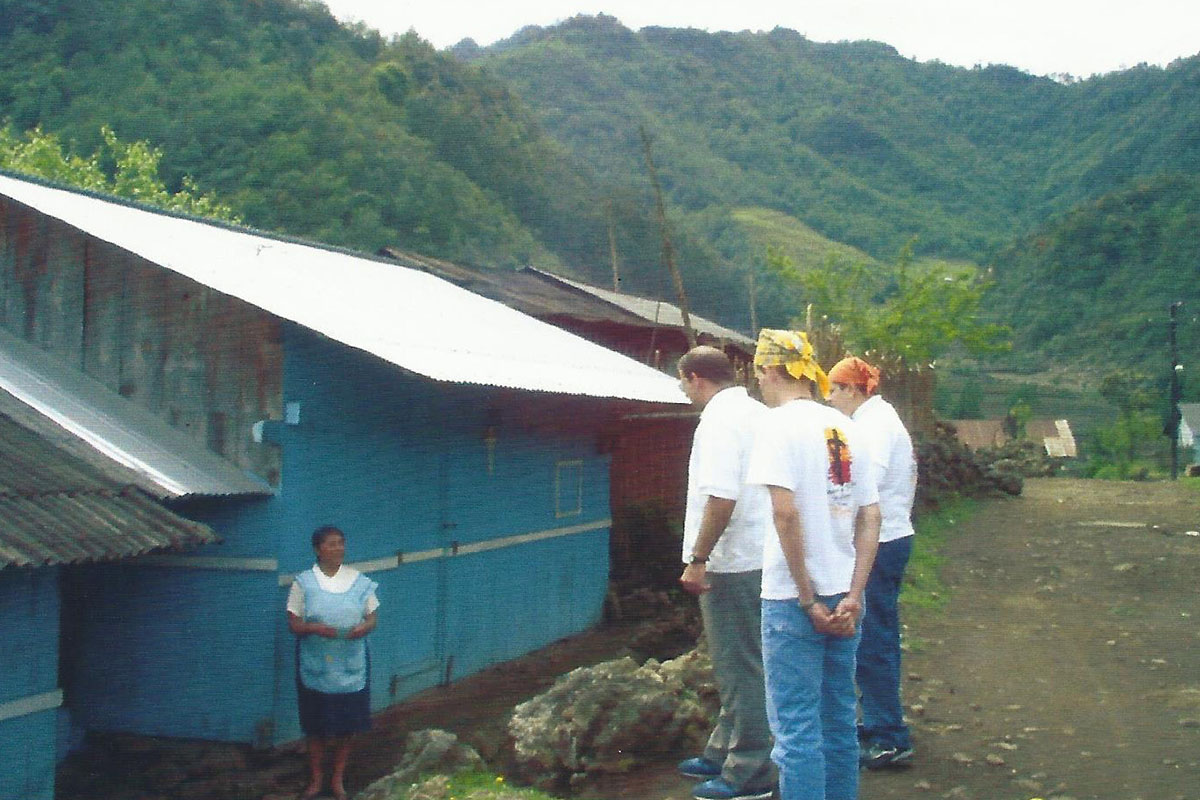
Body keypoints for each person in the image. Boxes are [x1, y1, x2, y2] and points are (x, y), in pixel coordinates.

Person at [746, 330, 881, 800]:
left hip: (792, 599)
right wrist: (855, 594)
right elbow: (870, 514)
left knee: (797, 728)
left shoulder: (775, 426)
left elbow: (785, 513)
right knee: (839, 719)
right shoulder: (848, 428)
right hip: (844, 599)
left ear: (768, 370)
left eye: (759, 371)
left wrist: (805, 598)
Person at [674, 346, 776, 800]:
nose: (683, 390)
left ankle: (750, 770)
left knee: (739, 664)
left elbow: (721, 497)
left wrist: (699, 558)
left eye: (682, 381)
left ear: (696, 378)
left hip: (731, 560)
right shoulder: (757, 413)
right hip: (761, 554)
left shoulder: (717, 422)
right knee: (739, 660)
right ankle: (723, 749)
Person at [827, 356, 917, 770]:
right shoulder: (875, 420)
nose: (830, 399)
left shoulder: (875, 427)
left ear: (851, 390)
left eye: (834, 390)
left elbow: (864, 480)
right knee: (873, 636)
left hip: (880, 542)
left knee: (874, 638)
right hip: (886, 538)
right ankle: (880, 721)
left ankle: (889, 735)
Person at [287, 526, 379, 800]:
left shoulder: (359, 581)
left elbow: (372, 617)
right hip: (317, 666)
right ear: (318, 550)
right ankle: (316, 780)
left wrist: (365, 627)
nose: (338, 548)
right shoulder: (303, 583)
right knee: (316, 727)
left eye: (341, 543)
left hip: (351, 666)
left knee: (347, 727)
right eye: (331, 544)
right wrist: (314, 628)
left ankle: (337, 779)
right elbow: (294, 624)